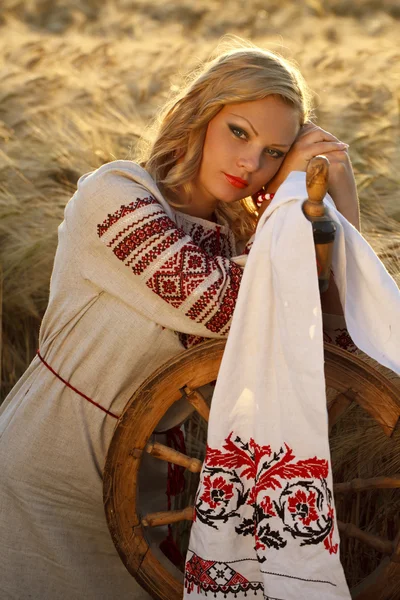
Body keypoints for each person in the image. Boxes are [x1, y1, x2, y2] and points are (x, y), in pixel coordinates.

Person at [0, 41, 359, 600]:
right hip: (45, 475)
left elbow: (336, 350)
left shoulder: (242, 241)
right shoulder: (116, 196)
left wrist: (340, 202)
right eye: (239, 132)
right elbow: (219, 302)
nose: (250, 163)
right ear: (198, 115)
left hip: (147, 494)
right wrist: (292, 216)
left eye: (273, 153)